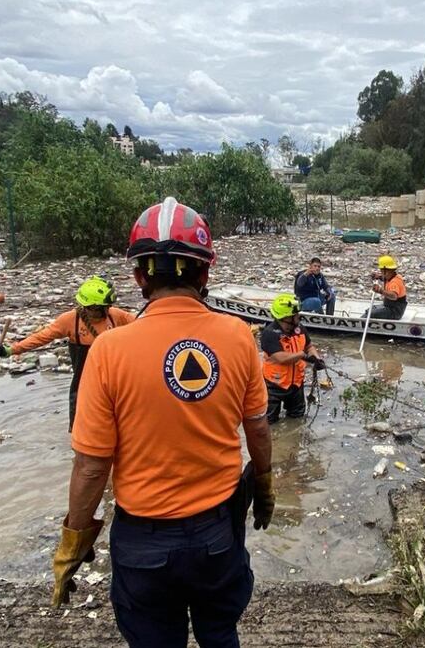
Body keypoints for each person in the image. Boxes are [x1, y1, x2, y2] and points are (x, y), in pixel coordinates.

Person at [51, 197, 275, 648]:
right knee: (219, 632)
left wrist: (74, 543)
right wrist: (266, 485)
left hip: (143, 543)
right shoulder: (237, 337)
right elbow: (258, 429)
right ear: (205, 274)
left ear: (139, 277)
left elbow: (92, 466)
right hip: (217, 534)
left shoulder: (108, 351)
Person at [0, 276, 136, 430]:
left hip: (113, 376)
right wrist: (11, 350)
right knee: (80, 414)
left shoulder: (116, 316)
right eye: (104, 307)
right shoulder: (69, 320)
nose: (108, 310)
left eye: (108, 306)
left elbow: (142, 323)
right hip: (84, 380)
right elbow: (42, 337)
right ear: (91, 307)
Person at [261, 294, 324, 424]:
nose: (298, 317)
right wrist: (302, 355)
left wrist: (316, 358)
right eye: (295, 315)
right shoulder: (269, 333)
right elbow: (280, 358)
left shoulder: (300, 329)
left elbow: (309, 346)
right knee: (269, 422)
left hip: (296, 384)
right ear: (285, 318)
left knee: (297, 419)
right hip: (274, 385)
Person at [367, 255, 407, 321]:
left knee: (371, 314)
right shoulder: (392, 276)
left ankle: (360, 325)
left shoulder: (394, 282)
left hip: (394, 311)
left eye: (382, 270)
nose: (381, 272)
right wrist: (379, 277)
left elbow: (394, 296)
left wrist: (380, 290)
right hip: (390, 307)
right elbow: (385, 278)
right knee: (370, 309)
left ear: (386, 271)